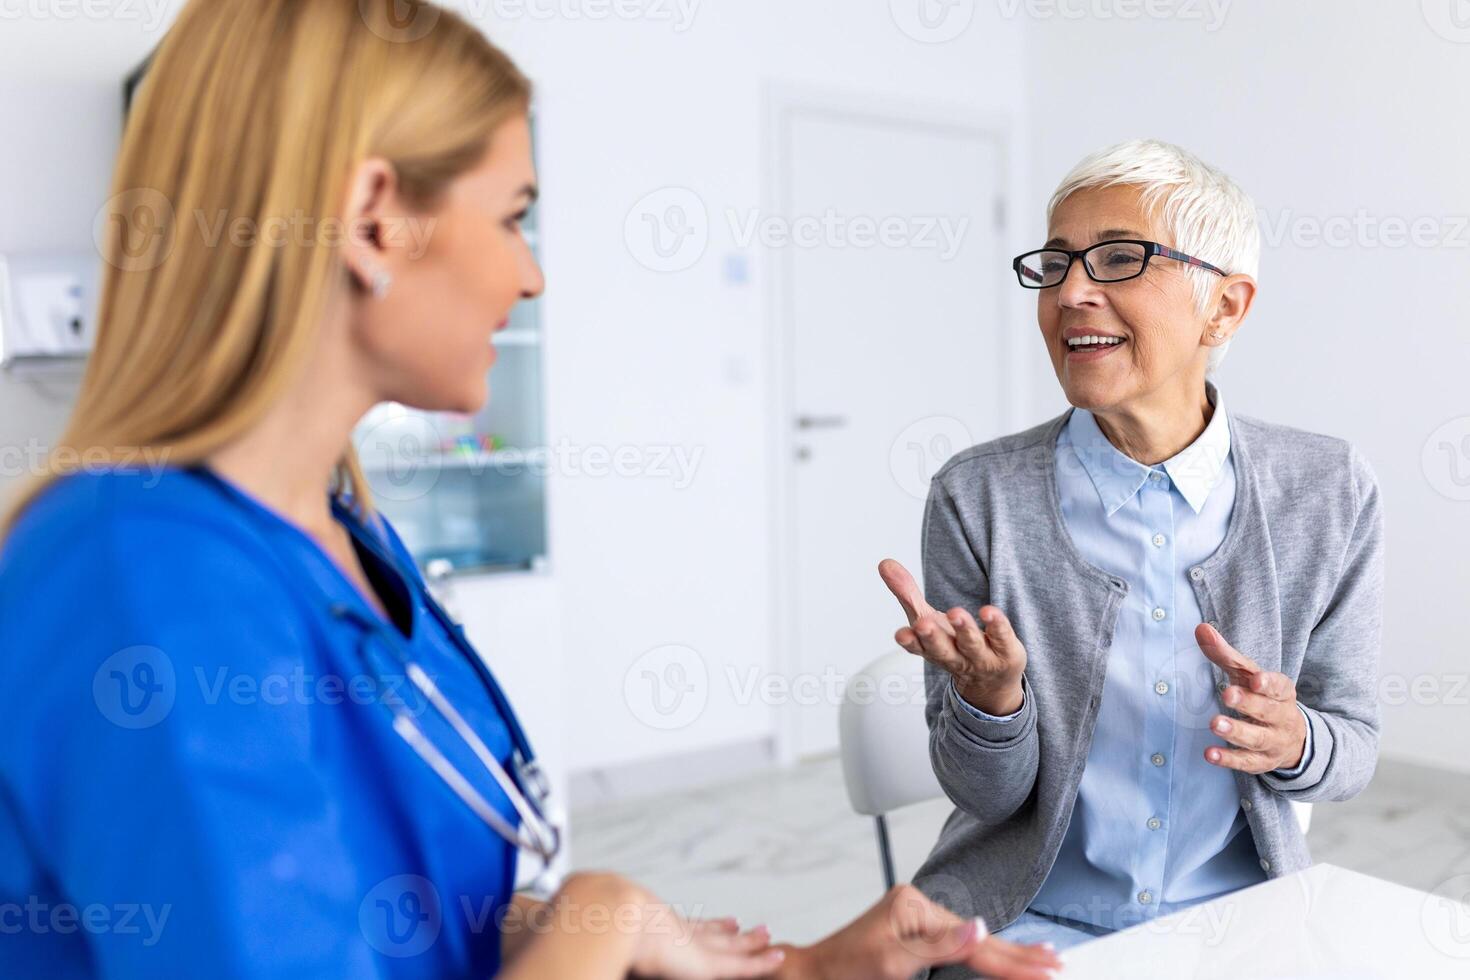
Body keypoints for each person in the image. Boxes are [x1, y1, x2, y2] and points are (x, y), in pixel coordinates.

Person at [0, 2, 1064, 978]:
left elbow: (410, 911)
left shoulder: (340, 535)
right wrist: (601, 912)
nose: (531, 273)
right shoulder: (147, 577)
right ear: (376, 220)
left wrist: (805, 967)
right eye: (514, 215)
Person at [878, 139, 1384, 972]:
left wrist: (1294, 740)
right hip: (1026, 925)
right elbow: (984, 796)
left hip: (1241, 930)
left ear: (1224, 308)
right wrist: (992, 703)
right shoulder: (977, 496)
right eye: (1056, 263)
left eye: (1119, 259)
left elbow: (1351, 749)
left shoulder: (1328, 490)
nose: (1073, 292)